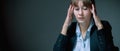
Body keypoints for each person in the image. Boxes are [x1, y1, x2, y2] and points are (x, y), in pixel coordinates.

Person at [53, 0, 118, 51]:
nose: (80, 13)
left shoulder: (103, 27)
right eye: (77, 9)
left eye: (85, 8)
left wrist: (99, 26)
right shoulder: (70, 29)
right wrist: (65, 25)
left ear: (92, 9)